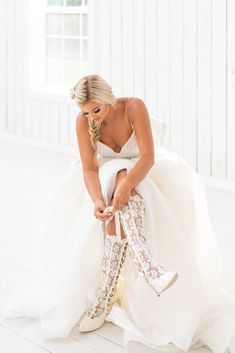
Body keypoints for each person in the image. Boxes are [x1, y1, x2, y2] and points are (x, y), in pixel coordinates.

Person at [1, 74, 235, 353]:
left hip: (142, 172)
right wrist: (98, 199)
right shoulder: (84, 122)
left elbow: (148, 157)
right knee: (114, 172)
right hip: (103, 180)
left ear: (109, 97)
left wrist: (126, 184)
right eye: (85, 112)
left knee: (122, 173)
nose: (92, 118)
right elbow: (89, 167)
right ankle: (150, 268)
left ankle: (106, 294)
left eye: (96, 110)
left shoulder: (134, 106)